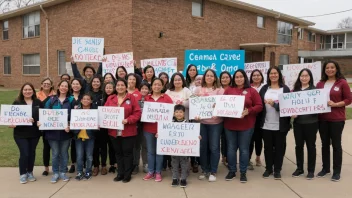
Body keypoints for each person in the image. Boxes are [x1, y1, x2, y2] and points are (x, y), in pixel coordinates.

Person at [223, 69, 263, 183]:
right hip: (230, 125)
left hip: (246, 125)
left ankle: (243, 172)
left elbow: (259, 106)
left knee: (244, 149)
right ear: (233, 79)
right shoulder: (228, 90)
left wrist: (249, 111)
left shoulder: (251, 91)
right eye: (236, 77)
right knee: (231, 149)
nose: (239, 79)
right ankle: (232, 171)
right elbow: (222, 104)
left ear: (245, 78)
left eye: (241, 77)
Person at [316, 60, 352, 182]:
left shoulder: (342, 83)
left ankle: (336, 172)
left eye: (332, 67)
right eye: (327, 68)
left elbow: (348, 99)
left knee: (336, 145)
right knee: (324, 144)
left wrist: (336, 104)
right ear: (324, 70)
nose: (329, 70)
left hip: (337, 119)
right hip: (322, 119)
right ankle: (325, 169)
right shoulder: (320, 84)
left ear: (336, 69)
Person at [105, 78, 142, 183]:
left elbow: (137, 113)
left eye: (122, 85)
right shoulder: (110, 98)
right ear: (115, 87)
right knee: (118, 153)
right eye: (118, 85)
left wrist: (128, 120)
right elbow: (105, 113)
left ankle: (127, 174)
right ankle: (120, 173)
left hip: (128, 131)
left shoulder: (132, 98)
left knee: (127, 153)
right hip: (114, 131)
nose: (120, 87)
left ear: (126, 87)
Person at [259, 66, 291, 180]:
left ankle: (277, 169)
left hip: (280, 125)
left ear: (279, 75)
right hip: (266, 124)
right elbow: (259, 105)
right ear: (268, 75)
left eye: (275, 73)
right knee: (267, 148)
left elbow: (288, 107)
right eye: (271, 73)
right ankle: (268, 168)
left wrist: (275, 105)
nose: (273, 75)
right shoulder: (264, 89)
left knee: (279, 148)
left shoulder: (285, 89)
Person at [40, 80, 75, 183]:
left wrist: (69, 125)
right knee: (55, 153)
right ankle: (55, 173)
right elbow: (45, 114)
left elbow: (76, 116)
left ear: (68, 88)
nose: (64, 88)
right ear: (58, 87)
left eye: (66, 86)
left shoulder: (71, 100)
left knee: (64, 153)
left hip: (66, 133)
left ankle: (63, 172)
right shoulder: (51, 100)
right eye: (62, 86)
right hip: (52, 133)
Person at [194, 69, 224, 182]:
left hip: (215, 123)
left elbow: (222, 105)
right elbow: (194, 105)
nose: (209, 77)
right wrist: (195, 115)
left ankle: (213, 171)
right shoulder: (198, 89)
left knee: (214, 147)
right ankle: (205, 170)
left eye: (211, 76)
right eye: (207, 75)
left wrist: (218, 110)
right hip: (202, 123)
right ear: (204, 78)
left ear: (215, 78)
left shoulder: (219, 90)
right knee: (203, 148)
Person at [142, 78, 173, 182]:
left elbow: (170, 114)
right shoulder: (146, 98)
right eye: (155, 84)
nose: (157, 86)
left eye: (159, 84)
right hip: (148, 129)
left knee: (160, 152)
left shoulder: (167, 98)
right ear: (152, 86)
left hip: (162, 130)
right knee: (150, 152)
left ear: (162, 86)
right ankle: (151, 172)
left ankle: (158, 172)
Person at [11, 83, 42, 184]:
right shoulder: (17, 103)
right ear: (22, 91)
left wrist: (39, 122)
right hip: (20, 134)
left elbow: (43, 116)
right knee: (24, 153)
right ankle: (23, 174)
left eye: (29, 89)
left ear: (33, 91)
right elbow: (11, 118)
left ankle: (30, 172)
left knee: (32, 153)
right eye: (25, 90)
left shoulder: (38, 102)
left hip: (34, 133)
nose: (27, 91)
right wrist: (12, 123)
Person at [291, 69, 318, 180]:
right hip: (298, 123)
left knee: (311, 146)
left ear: (310, 77)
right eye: (302, 76)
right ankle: (299, 168)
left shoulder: (315, 91)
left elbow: (318, 107)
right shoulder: (294, 91)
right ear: (299, 77)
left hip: (311, 123)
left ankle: (311, 170)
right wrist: (291, 113)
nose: (304, 78)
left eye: (306, 76)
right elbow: (290, 106)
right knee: (299, 146)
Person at [170, 104, 200, 188]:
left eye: (181, 112)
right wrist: (160, 135)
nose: (179, 114)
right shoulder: (169, 124)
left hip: (185, 148)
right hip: (174, 148)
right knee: (174, 163)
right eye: (177, 112)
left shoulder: (188, 123)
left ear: (184, 113)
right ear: (173, 113)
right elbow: (165, 133)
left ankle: (183, 178)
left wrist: (197, 137)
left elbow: (193, 133)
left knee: (184, 163)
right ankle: (175, 178)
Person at [73, 93, 97, 181]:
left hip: (90, 137)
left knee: (89, 156)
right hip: (79, 137)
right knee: (79, 156)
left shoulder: (94, 111)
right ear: (81, 100)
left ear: (91, 101)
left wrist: (97, 126)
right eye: (84, 99)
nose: (86, 100)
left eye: (88, 99)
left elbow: (98, 124)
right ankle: (79, 172)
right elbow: (72, 123)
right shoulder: (76, 111)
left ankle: (88, 171)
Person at [88, 75, 108, 176]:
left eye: (97, 82)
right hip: (92, 124)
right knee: (94, 147)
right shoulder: (88, 94)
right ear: (91, 83)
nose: (96, 83)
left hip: (103, 124)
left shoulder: (104, 94)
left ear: (101, 83)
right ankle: (96, 166)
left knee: (103, 146)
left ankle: (104, 165)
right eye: (94, 81)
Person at [36, 77, 55, 176]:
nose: (46, 85)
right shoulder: (37, 95)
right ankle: (46, 168)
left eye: (48, 83)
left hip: (54, 123)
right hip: (43, 125)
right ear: (41, 84)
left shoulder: (55, 95)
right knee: (46, 147)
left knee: (56, 147)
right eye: (44, 83)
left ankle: (58, 166)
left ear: (51, 85)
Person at [126, 73, 144, 174]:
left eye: (133, 80)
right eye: (130, 79)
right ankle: (128, 164)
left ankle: (135, 164)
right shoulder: (122, 91)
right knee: (127, 145)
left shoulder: (139, 93)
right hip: (125, 123)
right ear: (127, 80)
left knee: (136, 145)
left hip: (137, 123)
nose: (131, 81)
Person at [248, 69, 265, 170]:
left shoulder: (265, 87)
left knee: (259, 138)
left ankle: (258, 157)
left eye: (258, 75)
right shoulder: (248, 87)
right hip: (249, 115)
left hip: (261, 116)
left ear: (261, 77)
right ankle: (248, 159)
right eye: (254, 75)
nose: (256, 77)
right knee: (249, 139)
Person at [68, 78, 85, 173]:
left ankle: (83, 163)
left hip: (82, 125)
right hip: (71, 125)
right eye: (73, 84)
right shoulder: (68, 97)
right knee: (73, 145)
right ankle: (73, 163)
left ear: (81, 86)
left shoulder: (83, 97)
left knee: (82, 145)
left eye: (77, 84)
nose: (75, 85)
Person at [102, 82, 117, 173]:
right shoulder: (102, 98)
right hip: (103, 127)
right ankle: (103, 164)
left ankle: (113, 164)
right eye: (107, 88)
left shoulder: (116, 98)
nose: (108, 89)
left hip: (113, 126)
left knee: (112, 147)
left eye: (110, 88)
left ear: (114, 88)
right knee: (103, 147)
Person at [219, 71, 232, 167]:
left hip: (230, 118)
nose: (225, 79)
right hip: (218, 118)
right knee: (221, 138)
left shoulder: (233, 89)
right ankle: (223, 155)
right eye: (223, 77)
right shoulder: (217, 90)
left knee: (228, 139)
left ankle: (228, 157)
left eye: (227, 77)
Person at [137, 82, 150, 174]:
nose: (144, 90)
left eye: (146, 89)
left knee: (145, 145)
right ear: (139, 89)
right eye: (142, 89)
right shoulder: (135, 99)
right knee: (136, 145)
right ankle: (135, 164)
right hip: (137, 124)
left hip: (147, 125)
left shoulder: (151, 99)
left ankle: (146, 163)